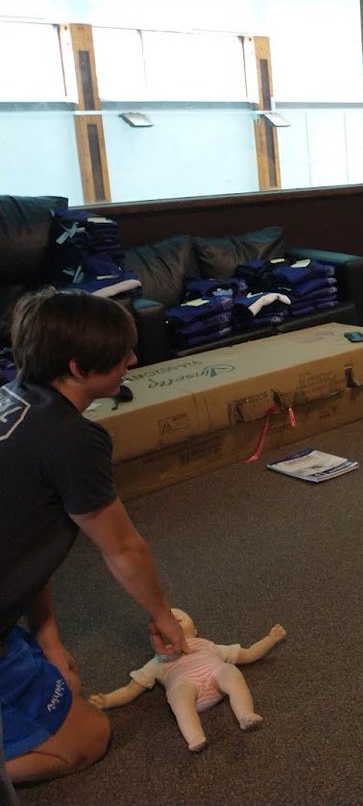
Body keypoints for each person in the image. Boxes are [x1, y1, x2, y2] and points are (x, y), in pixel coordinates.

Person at [1, 289, 187, 784]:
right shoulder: (73, 440)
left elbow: (24, 539)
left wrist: (49, 640)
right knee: (88, 738)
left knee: (68, 682)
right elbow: (122, 548)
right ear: (80, 368)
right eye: (120, 355)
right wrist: (162, 616)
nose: (132, 359)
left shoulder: (14, 396)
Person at [89, 608, 287, 753]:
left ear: (195, 629)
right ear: (158, 642)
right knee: (178, 695)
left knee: (230, 671)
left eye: (178, 618)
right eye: (165, 625)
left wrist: (270, 639)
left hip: (215, 674)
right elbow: (130, 690)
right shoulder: (157, 661)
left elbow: (248, 654)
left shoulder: (208, 645)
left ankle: (245, 714)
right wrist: (107, 700)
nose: (172, 620)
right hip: (187, 687)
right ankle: (194, 736)